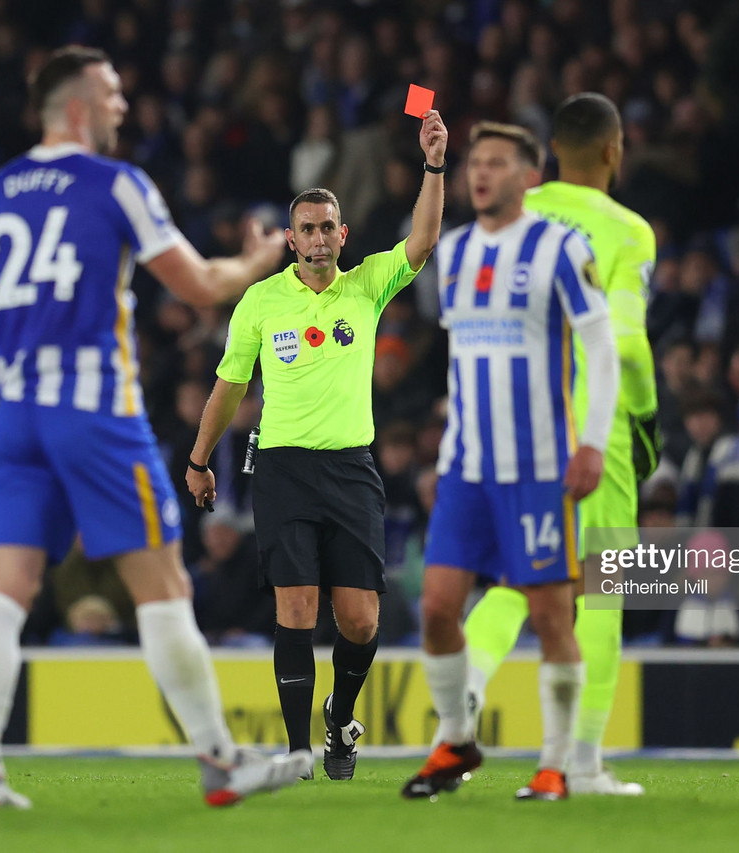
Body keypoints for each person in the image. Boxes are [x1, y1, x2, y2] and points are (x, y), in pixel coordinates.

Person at [0, 46, 306, 810]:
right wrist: (257, 258)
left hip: (16, 418)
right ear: (78, 107)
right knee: (163, 586)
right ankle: (219, 759)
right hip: (96, 417)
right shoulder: (116, 185)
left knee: (6, 588)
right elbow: (202, 288)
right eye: (112, 93)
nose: (122, 105)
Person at [185, 110, 448, 781]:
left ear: (343, 233)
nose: (319, 237)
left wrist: (434, 165)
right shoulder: (260, 303)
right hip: (281, 469)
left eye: (328, 226)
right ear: (292, 239)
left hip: (351, 470)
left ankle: (340, 717)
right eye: (307, 228)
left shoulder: (367, 287)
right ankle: (299, 747)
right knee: (296, 607)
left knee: (359, 620)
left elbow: (422, 240)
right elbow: (228, 388)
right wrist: (198, 458)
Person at [401, 121, 619, 802]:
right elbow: (463, 360)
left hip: (538, 466)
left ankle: (554, 763)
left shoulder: (562, 247)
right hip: (467, 466)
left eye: (497, 163)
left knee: (552, 614)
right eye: (476, 163)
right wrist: (444, 444)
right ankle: (458, 738)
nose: (482, 174)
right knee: (437, 607)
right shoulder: (456, 251)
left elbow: (602, 349)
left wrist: (593, 443)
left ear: (529, 175)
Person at [458, 93, 655, 796]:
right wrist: (646, 416)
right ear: (613, 150)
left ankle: (463, 695)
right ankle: (581, 760)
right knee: (601, 591)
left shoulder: (520, 215)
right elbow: (625, 343)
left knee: (522, 577)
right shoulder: (627, 230)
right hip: (589, 429)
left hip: (514, 421)